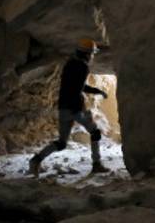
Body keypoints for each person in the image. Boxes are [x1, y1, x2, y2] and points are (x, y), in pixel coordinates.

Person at [29, 37, 110, 177]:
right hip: (75, 108)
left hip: (63, 108)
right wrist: (97, 92)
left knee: (61, 143)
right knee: (95, 133)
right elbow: (79, 88)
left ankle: (36, 160)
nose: (92, 57)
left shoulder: (69, 64)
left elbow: (70, 86)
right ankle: (96, 164)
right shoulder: (83, 67)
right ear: (87, 54)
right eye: (91, 54)